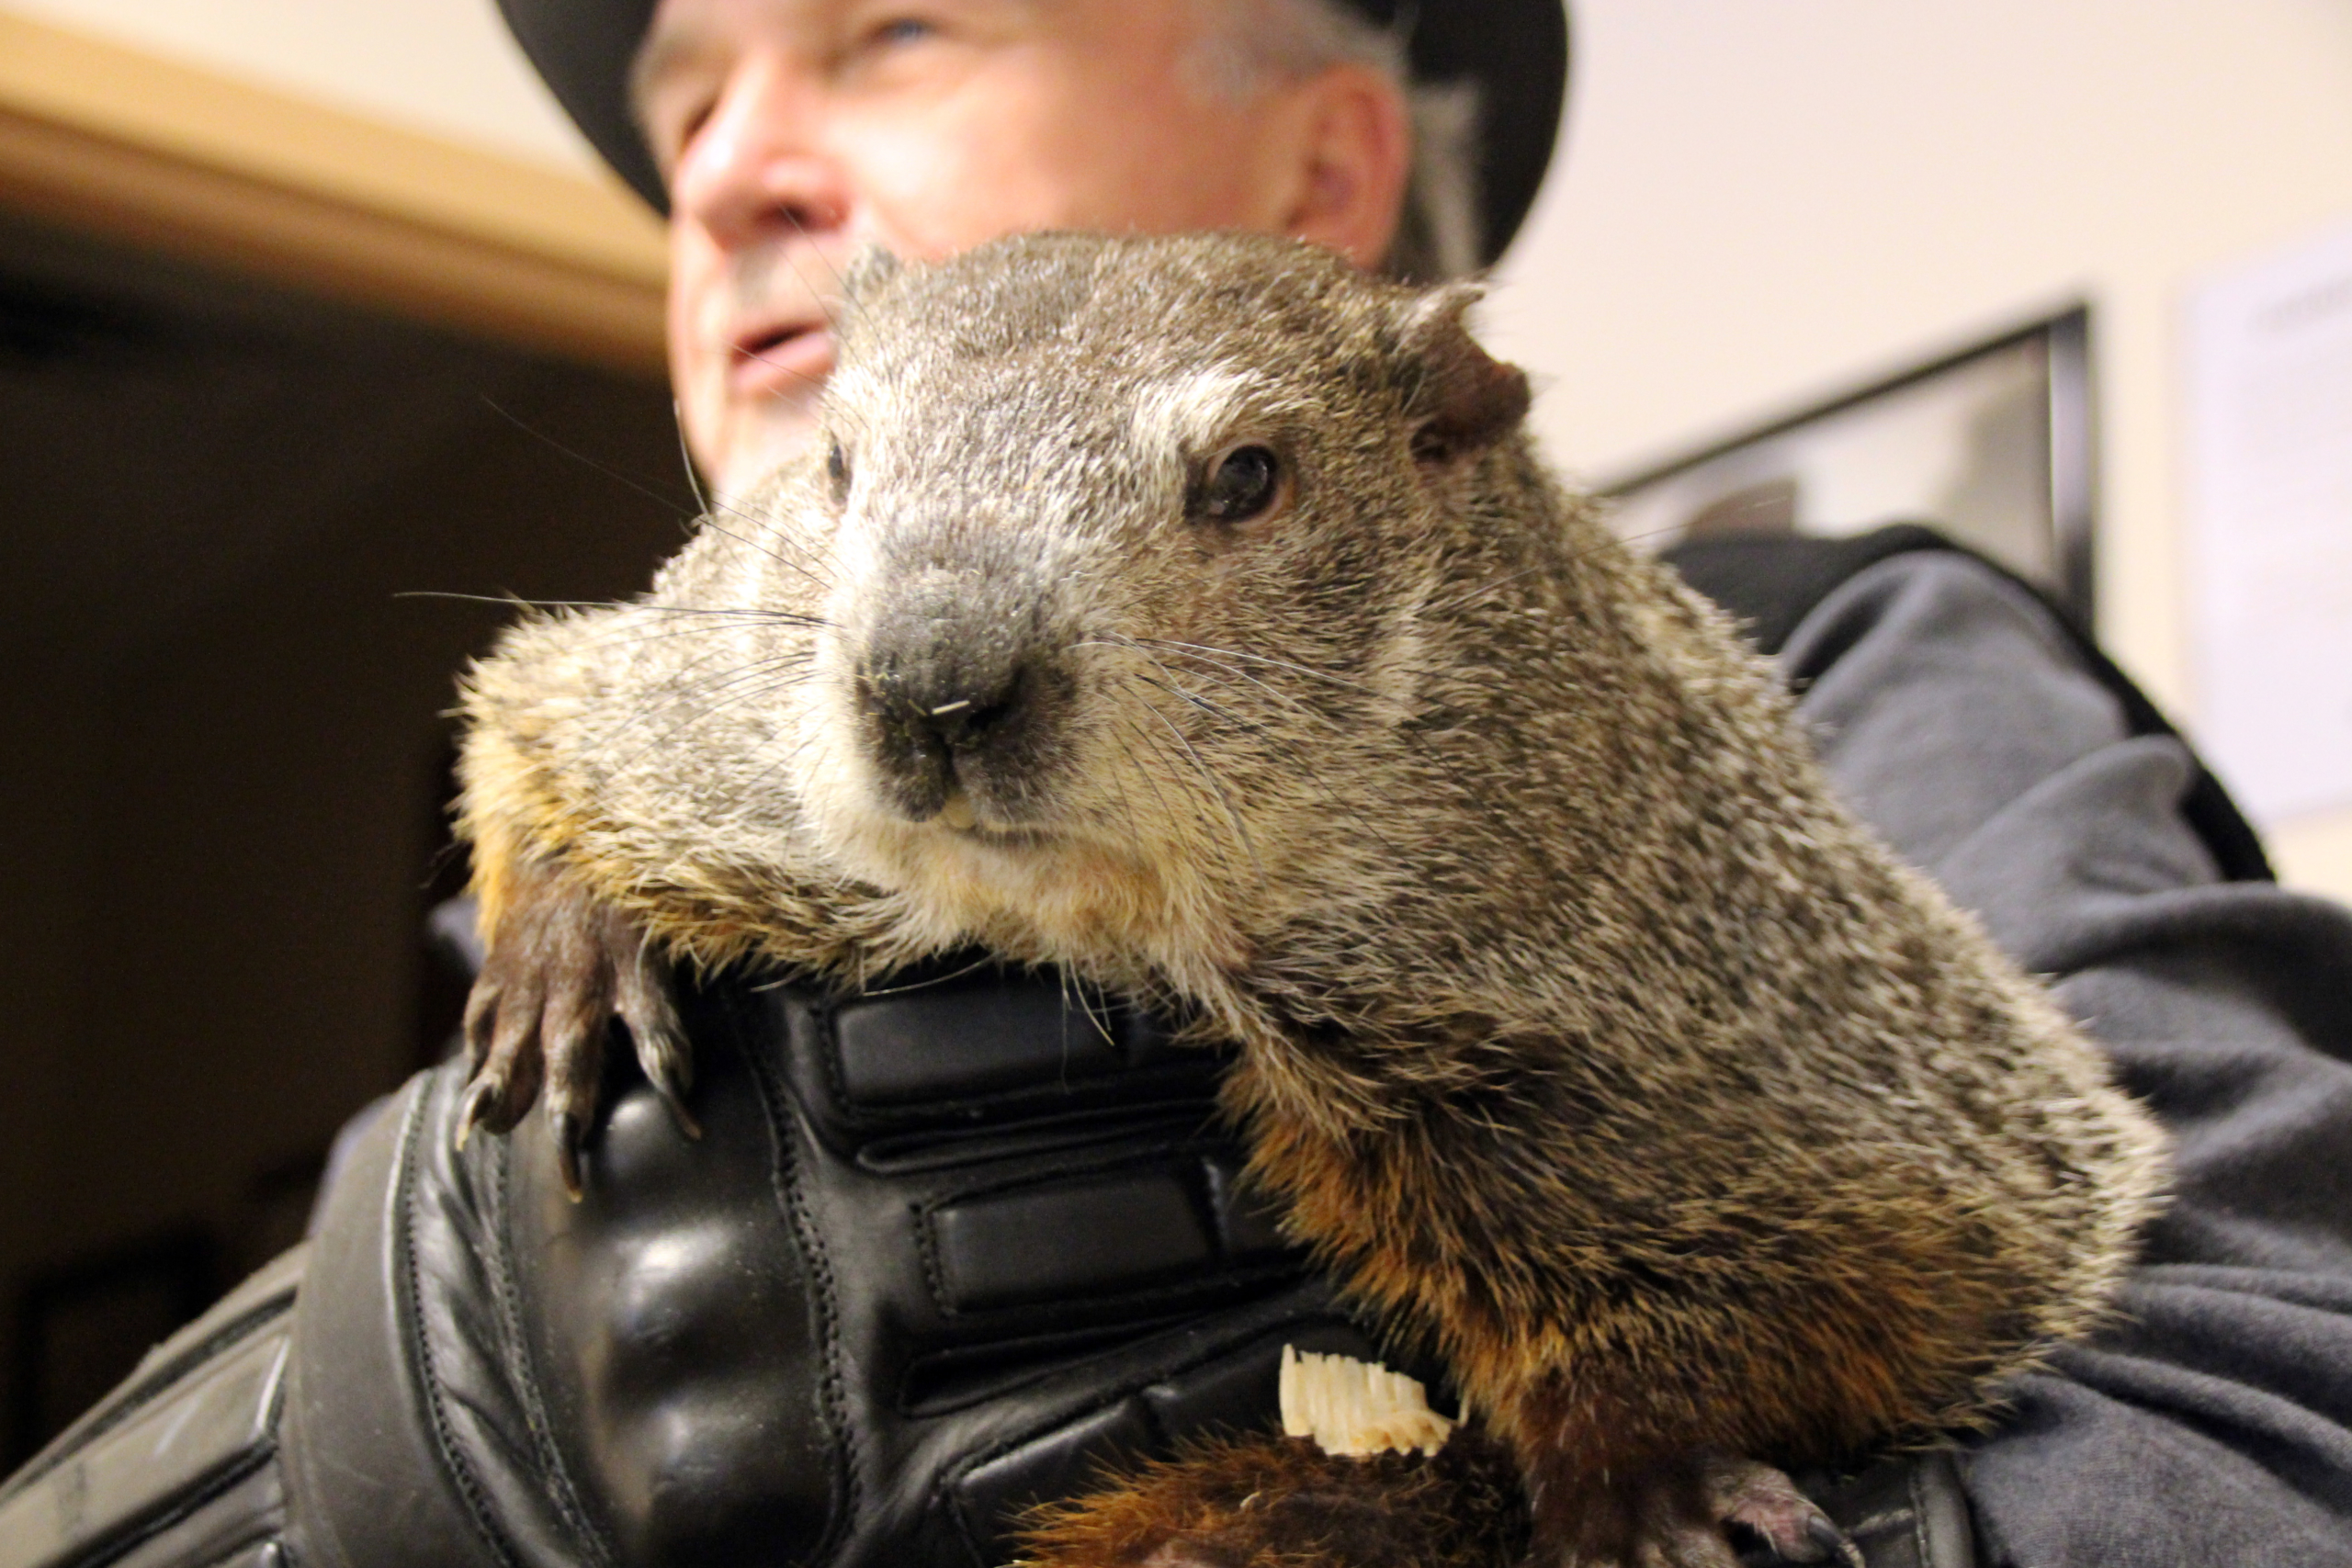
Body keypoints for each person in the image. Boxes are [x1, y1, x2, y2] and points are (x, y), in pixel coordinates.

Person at [2, 5, 2348, 1567]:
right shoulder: (740, 650)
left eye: (891, 21)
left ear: (1324, 165)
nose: (724, 171)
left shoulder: (1863, 660)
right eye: (681, 106)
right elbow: (551, 728)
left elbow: (2237, 1401)